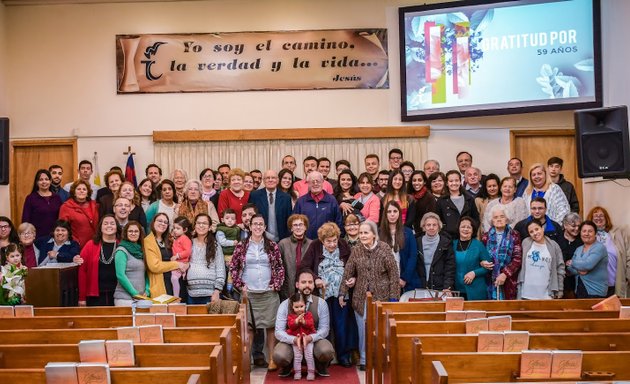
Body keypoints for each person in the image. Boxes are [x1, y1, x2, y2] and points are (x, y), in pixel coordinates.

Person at [339, 220, 399, 371]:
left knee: (380, 329)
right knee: (363, 328)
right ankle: (365, 360)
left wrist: (394, 297)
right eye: (360, 233)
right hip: (361, 296)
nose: (362, 235)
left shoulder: (384, 248)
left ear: (374, 234)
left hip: (382, 296)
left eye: (366, 232)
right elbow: (348, 271)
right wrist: (342, 292)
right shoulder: (357, 249)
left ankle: (380, 359)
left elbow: (394, 274)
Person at [231, 214, 285, 370]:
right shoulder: (241, 246)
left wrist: (276, 284)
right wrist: (240, 285)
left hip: (268, 292)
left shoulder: (272, 245)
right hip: (250, 293)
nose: (258, 227)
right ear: (249, 226)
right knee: (249, 328)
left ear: (265, 227)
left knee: (271, 326)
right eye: (255, 224)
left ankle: (272, 358)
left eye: (261, 224)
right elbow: (234, 267)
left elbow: (279, 267)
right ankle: (247, 359)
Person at [300, 222, 355, 368]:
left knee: (341, 325)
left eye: (334, 240)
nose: (332, 244)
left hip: (341, 294)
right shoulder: (315, 246)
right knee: (324, 326)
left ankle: (343, 356)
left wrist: (352, 278)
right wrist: (316, 278)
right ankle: (324, 357)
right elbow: (304, 266)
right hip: (322, 295)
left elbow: (353, 266)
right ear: (322, 240)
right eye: (328, 241)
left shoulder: (343, 245)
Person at [273, 269, 335, 377]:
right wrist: (294, 340)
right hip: (292, 340)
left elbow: (324, 330)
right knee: (279, 355)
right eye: (303, 282)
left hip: (313, 341)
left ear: (314, 285)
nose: (307, 285)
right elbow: (278, 331)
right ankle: (287, 366)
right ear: (297, 284)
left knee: (326, 351)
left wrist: (310, 338)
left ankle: (320, 365)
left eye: (310, 282)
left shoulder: (321, 303)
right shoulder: (285, 304)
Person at [480, 206, 522, 300]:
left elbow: (517, 259)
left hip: (508, 280)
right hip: (489, 279)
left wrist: (504, 274)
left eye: (502, 216)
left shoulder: (514, 235)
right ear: (492, 220)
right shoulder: (485, 237)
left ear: (507, 219)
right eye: (495, 217)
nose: (499, 219)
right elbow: (480, 256)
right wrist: (482, 262)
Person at [586, 206, 629, 297]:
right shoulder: (586, 235)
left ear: (606, 218)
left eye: (601, 215)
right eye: (595, 216)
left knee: (614, 309)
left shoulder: (618, 234)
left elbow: (628, 255)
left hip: (614, 282)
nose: (598, 218)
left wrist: (628, 276)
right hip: (594, 285)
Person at [518, 220, 565, 300]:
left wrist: (560, 289)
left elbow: (560, 268)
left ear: (542, 228)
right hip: (526, 293)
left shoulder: (553, 245)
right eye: (531, 232)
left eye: (537, 229)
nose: (535, 233)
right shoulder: (525, 243)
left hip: (546, 293)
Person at [78, 215, 119, 306]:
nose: (109, 226)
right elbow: (82, 272)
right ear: (100, 227)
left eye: (112, 223)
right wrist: (82, 298)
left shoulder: (122, 245)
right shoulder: (90, 245)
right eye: (105, 223)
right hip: (95, 295)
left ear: (117, 227)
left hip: (118, 294)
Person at [380, 201, 420, 292]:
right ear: (385, 214)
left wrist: (404, 278)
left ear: (399, 213)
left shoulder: (408, 232)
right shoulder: (379, 233)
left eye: (395, 211)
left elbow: (413, 256)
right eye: (389, 212)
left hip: (405, 281)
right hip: (384, 281)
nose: (392, 214)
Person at [144, 213, 186, 298]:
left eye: (165, 222)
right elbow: (154, 266)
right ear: (153, 222)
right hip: (161, 285)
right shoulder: (148, 241)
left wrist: (185, 264)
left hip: (175, 282)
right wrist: (176, 264)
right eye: (160, 221)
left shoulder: (170, 240)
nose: (163, 224)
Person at [186, 213, 225, 304]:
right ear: (194, 226)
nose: (201, 225)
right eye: (198, 223)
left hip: (210, 294)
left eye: (204, 223)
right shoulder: (189, 243)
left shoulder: (215, 246)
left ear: (210, 227)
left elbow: (220, 269)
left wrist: (217, 291)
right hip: (191, 293)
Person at [293, 171, 343, 240]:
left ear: (323, 182)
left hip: (327, 242)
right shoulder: (301, 202)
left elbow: (338, 222)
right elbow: (294, 222)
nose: (315, 184)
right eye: (312, 181)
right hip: (306, 243)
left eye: (318, 181)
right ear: (308, 183)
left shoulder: (332, 200)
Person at [567, 221, 608, 298]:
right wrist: (580, 270)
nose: (586, 234)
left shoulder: (599, 248)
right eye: (584, 231)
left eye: (590, 231)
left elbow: (587, 265)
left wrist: (572, 263)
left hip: (596, 291)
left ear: (595, 233)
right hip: (579, 289)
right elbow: (570, 269)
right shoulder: (578, 249)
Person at [248, 169, 292, 242]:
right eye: (267, 178)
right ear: (263, 180)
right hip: (260, 239)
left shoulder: (286, 197)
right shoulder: (255, 195)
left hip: (281, 239)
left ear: (278, 180)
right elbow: (251, 217)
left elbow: (289, 219)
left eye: (273, 178)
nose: (270, 180)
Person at [416, 212, 455, 291]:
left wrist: (447, 286)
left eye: (434, 225)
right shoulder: (416, 242)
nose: (431, 227)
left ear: (439, 226)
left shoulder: (446, 243)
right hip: (420, 285)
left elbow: (450, 267)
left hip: (439, 286)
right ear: (424, 226)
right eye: (428, 225)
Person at [453, 217, 490, 300]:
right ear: (458, 229)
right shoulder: (452, 244)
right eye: (463, 227)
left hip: (475, 290)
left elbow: (489, 266)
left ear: (473, 230)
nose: (465, 229)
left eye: (469, 227)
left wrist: (474, 273)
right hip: (456, 290)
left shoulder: (478, 245)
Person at [113, 221, 149, 306]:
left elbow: (146, 273)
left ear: (140, 234)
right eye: (130, 231)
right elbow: (120, 275)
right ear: (126, 233)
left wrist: (147, 290)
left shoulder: (141, 250)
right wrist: (134, 293)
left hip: (141, 298)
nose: (133, 233)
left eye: (136, 231)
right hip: (124, 299)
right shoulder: (121, 250)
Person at [278, 214, 312, 301]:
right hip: (288, 288)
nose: (298, 227)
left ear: (305, 227)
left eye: (301, 225)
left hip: (307, 287)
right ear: (291, 228)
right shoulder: (283, 244)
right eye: (295, 225)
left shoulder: (312, 244)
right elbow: (278, 267)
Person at [436, 170, 479, 239]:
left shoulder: (469, 199)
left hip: (467, 237)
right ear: (446, 183)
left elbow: (476, 219)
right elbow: (437, 220)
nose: (454, 183)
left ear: (460, 182)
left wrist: (471, 232)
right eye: (451, 181)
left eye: (456, 180)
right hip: (448, 239)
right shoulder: (441, 201)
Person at [22, 169, 63, 238]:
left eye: (46, 179)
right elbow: (25, 220)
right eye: (41, 180)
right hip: (36, 238)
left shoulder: (57, 198)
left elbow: (61, 218)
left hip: (55, 238)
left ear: (50, 181)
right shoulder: (31, 198)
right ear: (37, 182)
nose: (44, 182)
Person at [59, 179, 99, 249]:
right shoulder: (66, 207)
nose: (81, 191)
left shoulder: (95, 205)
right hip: (75, 246)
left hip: (94, 244)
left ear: (87, 193)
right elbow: (63, 228)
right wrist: (75, 242)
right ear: (74, 192)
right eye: (78, 189)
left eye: (84, 189)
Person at [286, 292, 317, 380]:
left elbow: (311, 325)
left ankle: (311, 372)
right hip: (297, 339)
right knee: (297, 356)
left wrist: (304, 322)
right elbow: (290, 325)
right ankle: (297, 372)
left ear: (305, 305)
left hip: (307, 338)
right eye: (296, 307)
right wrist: (296, 321)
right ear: (292, 306)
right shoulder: (291, 316)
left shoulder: (308, 315)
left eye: (301, 306)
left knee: (309, 355)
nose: (299, 309)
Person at [556, 212, 583, 299]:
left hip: (577, 280)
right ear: (565, 225)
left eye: (579, 226)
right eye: (573, 226)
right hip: (560, 280)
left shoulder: (582, 240)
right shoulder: (557, 238)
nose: (577, 228)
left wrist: (574, 262)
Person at [216, 209, 241, 297]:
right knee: (230, 269)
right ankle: (228, 288)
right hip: (225, 254)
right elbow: (222, 241)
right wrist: (232, 242)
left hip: (234, 253)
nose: (230, 220)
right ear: (222, 219)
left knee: (234, 269)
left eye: (232, 219)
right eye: (227, 218)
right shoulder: (220, 229)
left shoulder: (236, 228)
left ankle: (232, 286)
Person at [408, 170, 438, 234]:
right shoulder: (408, 195)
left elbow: (431, 217)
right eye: (414, 180)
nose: (416, 183)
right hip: (409, 230)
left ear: (424, 182)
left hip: (423, 232)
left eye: (420, 180)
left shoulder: (429, 197)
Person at [169, 216, 192, 298]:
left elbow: (188, 251)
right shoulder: (177, 238)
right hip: (177, 262)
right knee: (173, 278)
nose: (175, 230)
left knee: (174, 278)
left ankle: (176, 296)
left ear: (185, 230)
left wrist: (177, 256)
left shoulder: (185, 239)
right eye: (174, 228)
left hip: (182, 262)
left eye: (178, 228)